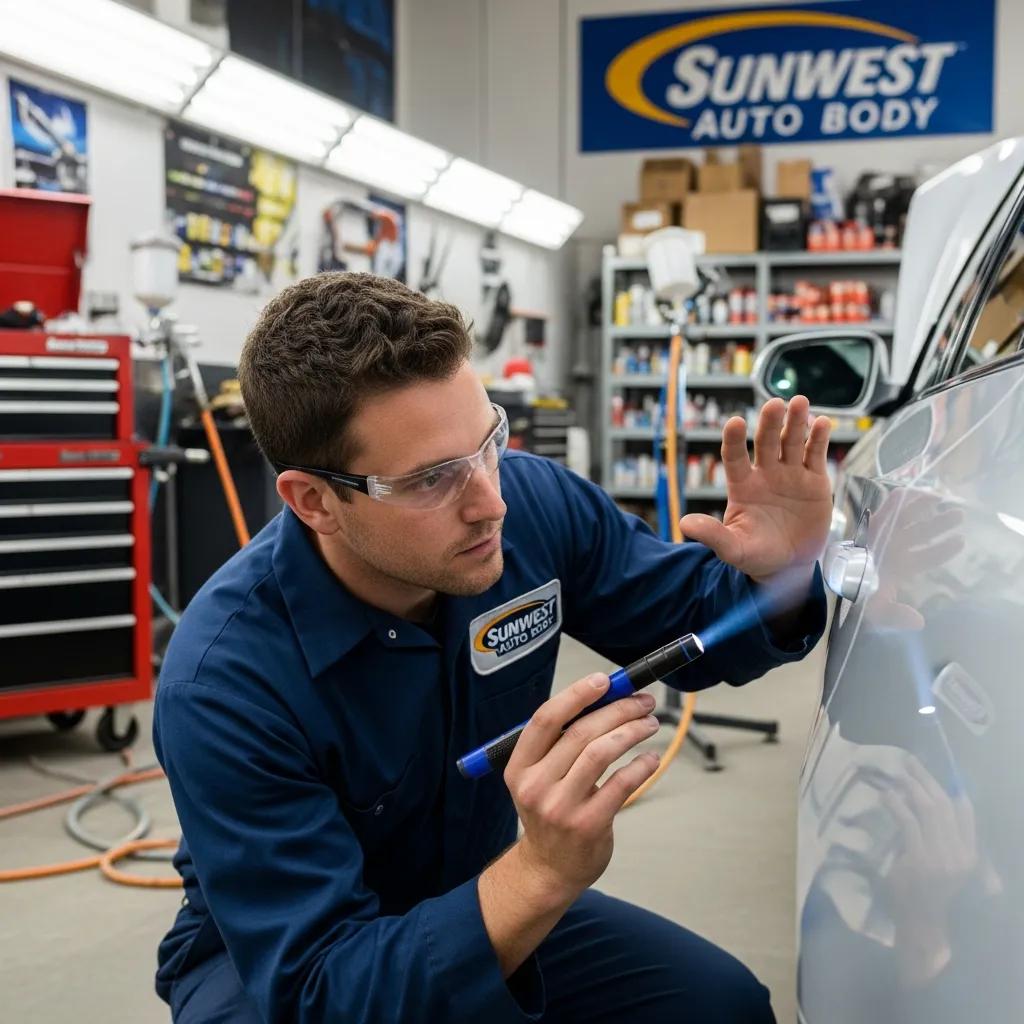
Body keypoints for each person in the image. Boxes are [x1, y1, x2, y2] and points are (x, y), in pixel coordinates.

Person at [153, 272, 832, 1023]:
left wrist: (783, 574)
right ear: (315, 501)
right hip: (288, 963)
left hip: (474, 887)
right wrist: (540, 873)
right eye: (432, 479)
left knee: (722, 1007)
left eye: (488, 444)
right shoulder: (223, 681)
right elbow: (325, 992)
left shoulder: (531, 509)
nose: (490, 500)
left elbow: (703, 629)